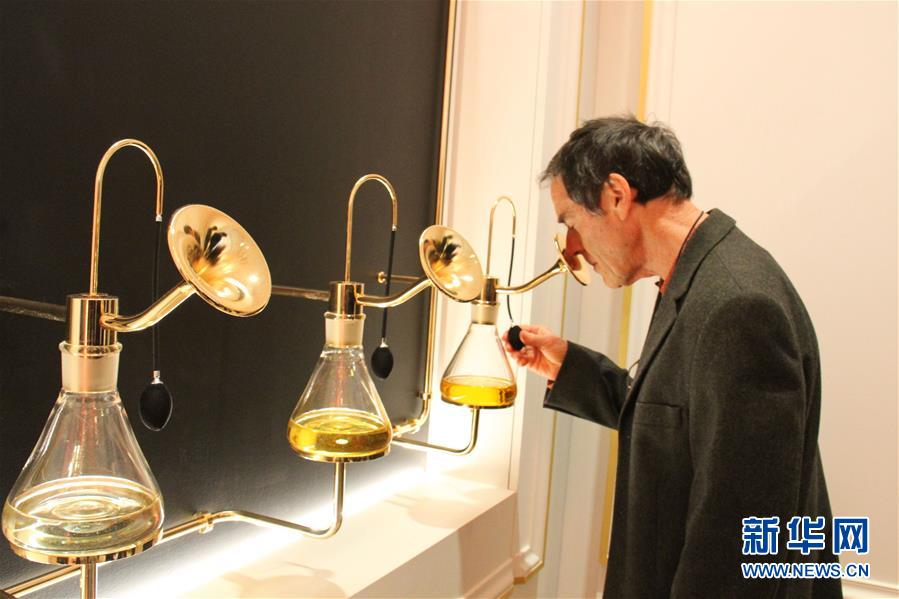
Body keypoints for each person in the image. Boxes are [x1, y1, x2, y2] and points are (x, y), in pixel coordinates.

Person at [504, 116, 841, 598]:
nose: (572, 249)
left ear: (616, 195)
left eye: (571, 222)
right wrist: (569, 366)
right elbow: (682, 423)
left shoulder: (737, 305)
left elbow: (740, 540)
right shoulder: (698, 277)